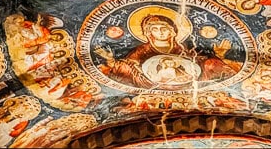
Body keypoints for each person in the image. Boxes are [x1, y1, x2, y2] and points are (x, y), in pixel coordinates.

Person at [97, 8, 240, 89]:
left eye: (164, 28)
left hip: (188, 81)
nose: (160, 32)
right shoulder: (141, 50)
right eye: (155, 29)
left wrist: (218, 56)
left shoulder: (183, 47)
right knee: (126, 69)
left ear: (172, 31)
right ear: (148, 33)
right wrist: (111, 60)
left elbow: (199, 61)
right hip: (149, 81)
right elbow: (127, 65)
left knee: (211, 64)